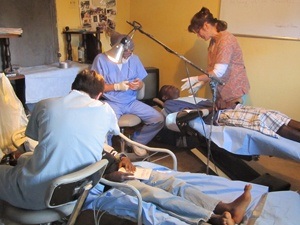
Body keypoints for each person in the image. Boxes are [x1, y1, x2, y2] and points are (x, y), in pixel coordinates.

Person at [0, 69, 120, 210]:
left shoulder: (45, 105)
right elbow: (115, 130)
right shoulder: (106, 110)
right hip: (77, 190)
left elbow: (34, 137)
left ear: (72, 87)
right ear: (99, 95)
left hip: (38, 193)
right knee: (25, 158)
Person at [88, 146, 252, 225]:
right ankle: (213, 219)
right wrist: (109, 176)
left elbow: (110, 150)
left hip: (125, 168)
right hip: (110, 181)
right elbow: (85, 175)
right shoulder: (71, 146)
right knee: (156, 195)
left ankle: (224, 207)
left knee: (173, 183)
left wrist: (123, 157)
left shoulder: (92, 131)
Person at [91, 31, 164, 157]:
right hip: (111, 102)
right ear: (115, 48)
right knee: (106, 126)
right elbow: (96, 87)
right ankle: (108, 155)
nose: (128, 54)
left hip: (131, 101)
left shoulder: (134, 60)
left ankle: (137, 142)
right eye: (125, 52)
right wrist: (116, 86)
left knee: (158, 119)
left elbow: (141, 83)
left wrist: (139, 85)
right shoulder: (101, 60)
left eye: (131, 51)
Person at [158, 84, 300, 143]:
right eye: (168, 88)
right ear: (164, 97)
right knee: (263, 119)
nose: (172, 86)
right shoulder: (169, 104)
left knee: (270, 113)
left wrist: (226, 103)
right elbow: (189, 115)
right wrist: (216, 108)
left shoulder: (186, 99)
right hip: (218, 116)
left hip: (227, 108)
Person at [181, 7, 250, 110]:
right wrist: (202, 83)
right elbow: (212, 69)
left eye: (198, 32)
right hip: (222, 92)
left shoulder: (226, 40)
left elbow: (218, 72)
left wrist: (196, 79)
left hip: (234, 92)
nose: (198, 36)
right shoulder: (213, 41)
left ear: (206, 25)